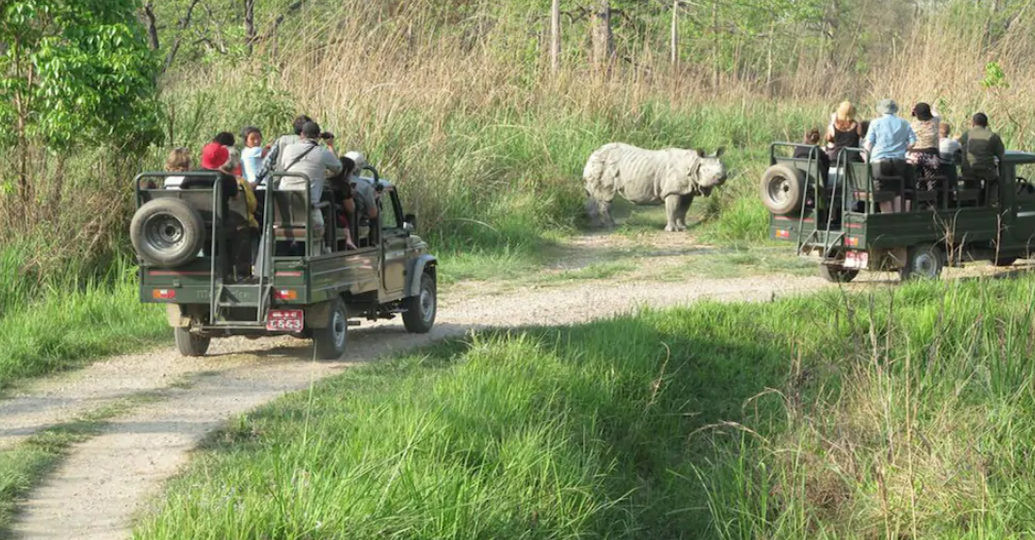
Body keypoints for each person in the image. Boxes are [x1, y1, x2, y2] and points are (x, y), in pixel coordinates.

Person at [280, 121, 343, 254]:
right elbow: (338, 169)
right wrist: (330, 145)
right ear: (318, 135)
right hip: (308, 209)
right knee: (325, 212)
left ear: (301, 134)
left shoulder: (288, 149)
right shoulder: (322, 152)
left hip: (283, 211)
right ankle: (324, 253)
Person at [864, 99, 916, 213]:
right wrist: (904, 149)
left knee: (882, 191)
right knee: (898, 190)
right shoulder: (904, 122)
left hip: (880, 161)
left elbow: (868, 144)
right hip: (899, 161)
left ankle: (887, 216)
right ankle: (897, 218)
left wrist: (866, 158)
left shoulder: (875, 122)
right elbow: (913, 142)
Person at [958, 112, 1005, 204]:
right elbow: (1001, 155)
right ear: (986, 123)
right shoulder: (992, 136)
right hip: (986, 170)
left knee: (970, 184)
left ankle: (970, 202)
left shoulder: (965, 135)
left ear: (973, 123)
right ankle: (991, 202)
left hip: (968, 170)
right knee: (994, 181)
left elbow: (960, 149)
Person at [253, 115, 312, 188]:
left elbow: (268, 160)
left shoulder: (282, 140)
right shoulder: (312, 144)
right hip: (305, 184)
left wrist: (257, 179)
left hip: (280, 183)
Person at [906, 102, 941, 190]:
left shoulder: (912, 125)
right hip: (931, 155)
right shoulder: (935, 121)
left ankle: (917, 200)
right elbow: (936, 114)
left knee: (916, 180)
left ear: (916, 114)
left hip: (914, 155)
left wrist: (913, 113)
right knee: (931, 181)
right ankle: (930, 201)